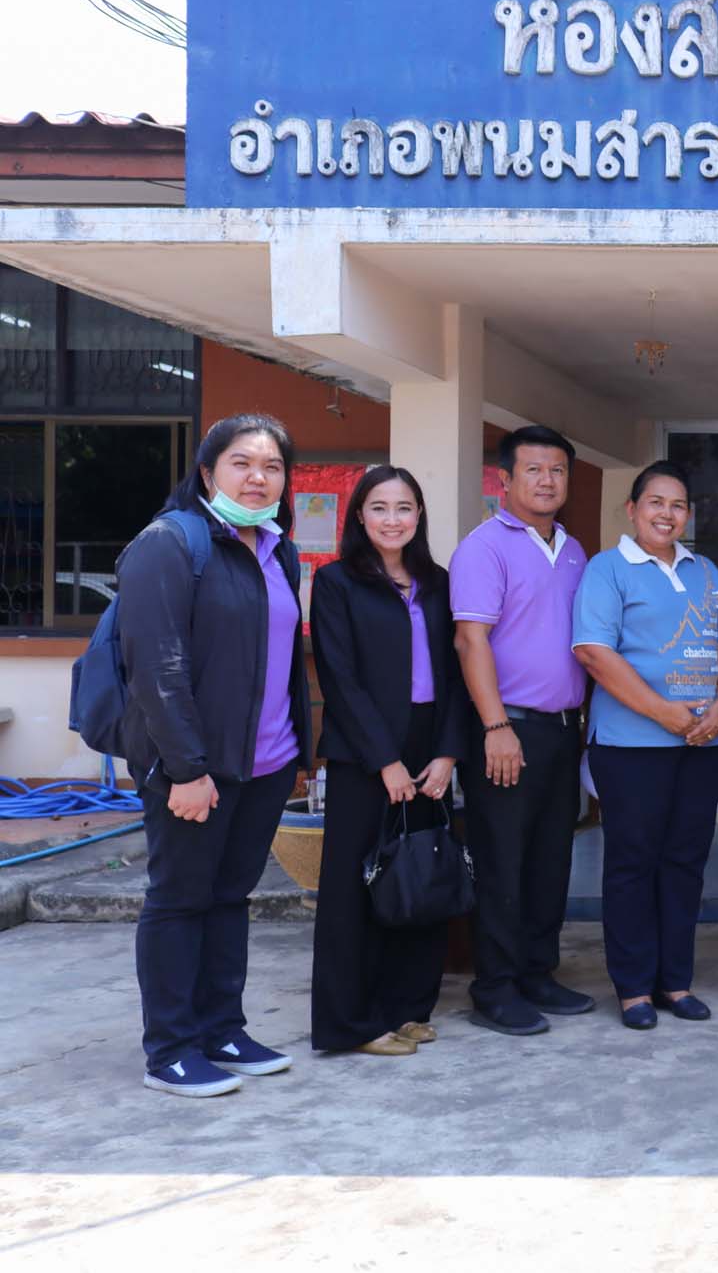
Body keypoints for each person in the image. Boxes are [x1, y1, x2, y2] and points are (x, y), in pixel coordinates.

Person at [117, 413, 312, 1096]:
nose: (259, 478)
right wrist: (187, 769)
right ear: (207, 473)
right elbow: (157, 668)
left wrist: (297, 753)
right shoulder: (170, 542)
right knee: (179, 901)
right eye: (242, 464)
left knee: (231, 897)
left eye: (273, 467)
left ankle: (222, 1029)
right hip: (196, 769)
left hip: (267, 764)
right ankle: (171, 1049)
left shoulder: (278, 550)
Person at [572, 462, 718, 1029]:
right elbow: (594, 652)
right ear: (633, 509)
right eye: (655, 502)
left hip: (703, 744)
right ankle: (633, 988)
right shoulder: (607, 569)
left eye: (678, 505)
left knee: (685, 862)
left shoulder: (706, 571)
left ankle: (676, 981)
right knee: (632, 863)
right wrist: (663, 712)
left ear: (688, 514)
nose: (667, 514)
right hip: (631, 746)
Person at [309, 466, 468, 1057]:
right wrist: (385, 761)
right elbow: (340, 679)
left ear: (419, 515)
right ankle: (351, 1022)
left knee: (420, 874)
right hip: (363, 753)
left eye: (404, 508)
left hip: (429, 746)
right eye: (379, 508)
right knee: (354, 888)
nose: (392, 519)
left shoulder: (438, 582)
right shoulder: (336, 582)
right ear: (359, 515)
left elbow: (456, 675)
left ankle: (408, 1007)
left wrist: (447, 752)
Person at [450, 424, 593, 1036]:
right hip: (507, 730)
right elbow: (470, 640)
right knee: (502, 861)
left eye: (557, 470)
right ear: (505, 480)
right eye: (533, 470)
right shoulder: (485, 547)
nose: (546, 481)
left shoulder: (574, 550)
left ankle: (538, 972)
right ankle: (495, 987)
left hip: (562, 731)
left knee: (550, 859)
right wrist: (496, 725)